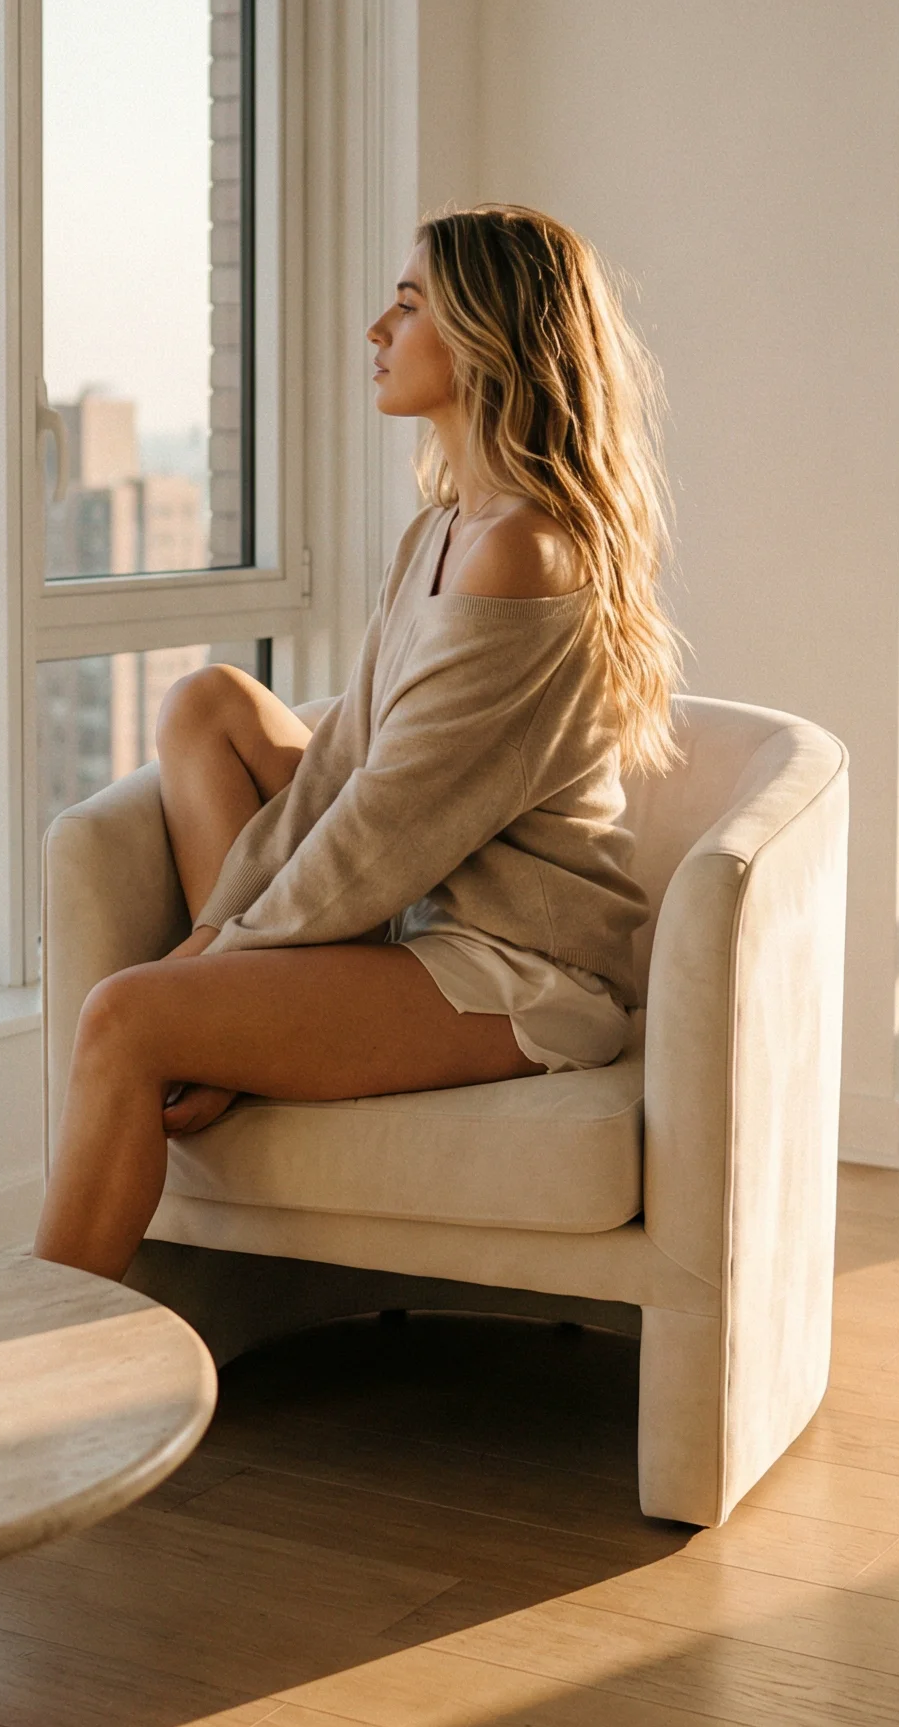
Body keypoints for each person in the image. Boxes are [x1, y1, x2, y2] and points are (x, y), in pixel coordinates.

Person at [35, 202, 682, 1279]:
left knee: (128, 1017)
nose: (377, 331)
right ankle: (233, 1032)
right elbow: (346, 764)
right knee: (207, 704)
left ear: (485, 337)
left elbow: (387, 826)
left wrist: (212, 960)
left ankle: (34, 1362)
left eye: (408, 305)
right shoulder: (441, 530)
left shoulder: (523, 551)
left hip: (521, 965)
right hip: (421, 913)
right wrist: (229, 953)